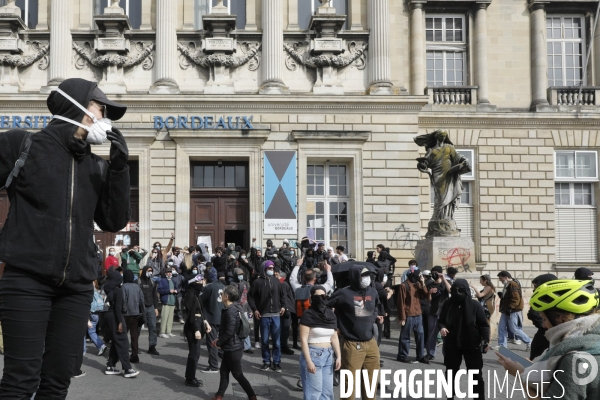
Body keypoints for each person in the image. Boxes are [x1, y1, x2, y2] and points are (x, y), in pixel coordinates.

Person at [0, 78, 131, 398]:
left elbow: (113, 219)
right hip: (26, 280)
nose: (105, 118)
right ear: (79, 106)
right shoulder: (23, 144)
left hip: (76, 287)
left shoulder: (96, 166)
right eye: (101, 109)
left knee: (58, 381)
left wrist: (119, 168)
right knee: (21, 379)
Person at [497, 279, 600, 399]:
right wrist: (536, 368)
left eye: (544, 319)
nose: (544, 325)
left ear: (561, 318)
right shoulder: (591, 341)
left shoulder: (574, 360)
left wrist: (521, 375)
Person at [327, 265, 382, 400]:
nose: (367, 279)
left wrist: (373, 317)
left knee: (371, 383)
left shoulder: (372, 291)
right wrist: (335, 326)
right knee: (349, 385)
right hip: (352, 344)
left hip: (371, 343)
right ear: (355, 277)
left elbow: (376, 306)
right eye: (363, 276)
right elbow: (325, 307)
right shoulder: (343, 293)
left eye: (368, 276)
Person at [438, 279, 489, 400]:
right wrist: (442, 328)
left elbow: (483, 324)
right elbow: (441, 321)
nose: (457, 293)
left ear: (466, 290)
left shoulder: (475, 305)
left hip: (472, 344)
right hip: (452, 344)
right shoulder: (448, 304)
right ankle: (450, 396)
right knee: (450, 373)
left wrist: (486, 341)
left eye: (460, 290)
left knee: (475, 374)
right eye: (454, 290)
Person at [210, 285, 257, 400]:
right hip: (231, 346)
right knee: (224, 372)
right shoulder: (234, 307)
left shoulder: (231, 311)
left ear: (226, 296)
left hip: (233, 348)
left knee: (237, 374)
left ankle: (252, 396)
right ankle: (219, 396)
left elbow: (230, 332)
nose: (221, 296)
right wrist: (219, 340)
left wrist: (219, 342)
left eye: (222, 294)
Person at [299, 285, 341, 400]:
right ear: (312, 297)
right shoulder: (308, 314)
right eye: (317, 296)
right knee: (314, 393)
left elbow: (334, 337)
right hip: (313, 354)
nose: (321, 299)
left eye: (323, 296)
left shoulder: (331, 314)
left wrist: (338, 357)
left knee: (328, 393)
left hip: (328, 355)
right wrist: (308, 361)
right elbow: (303, 339)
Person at [248, 260, 286, 372]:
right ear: (264, 269)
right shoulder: (257, 282)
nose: (271, 270)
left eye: (272, 268)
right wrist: (254, 309)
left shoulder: (277, 281)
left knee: (277, 342)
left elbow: (282, 295)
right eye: (269, 268)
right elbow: (250, 297)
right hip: (263, 315)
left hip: (276, 315)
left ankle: (277, 362)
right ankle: (266, 362)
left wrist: (283, 306)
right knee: (264, 341)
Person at [103, 269, 140, 378]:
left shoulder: (109, 290)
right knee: (123, 342)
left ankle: (110, 365)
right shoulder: (118, 291)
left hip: (109, 316)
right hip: (115, 316)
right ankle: (127, 368)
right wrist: (120, 322)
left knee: (116, 342)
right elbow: (118, 309)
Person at [396, 267, 429, 364]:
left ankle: (420, 356)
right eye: (419, 275)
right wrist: (402, 317)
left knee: (420, 335)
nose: (420, 277)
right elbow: (400, 303)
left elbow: (425, 295)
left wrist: (423, 284)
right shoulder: (404, 285)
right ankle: (402, 355)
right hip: (408, 315)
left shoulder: (418, 284)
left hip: (418, 314)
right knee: (405, 336)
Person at [183, 274, 210, 387]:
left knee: (196, 353)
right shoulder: (189, 295)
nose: (201, 284)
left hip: (198, 323)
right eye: (199, 283)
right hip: (192, 326)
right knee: (194, 353)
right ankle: (190, 378)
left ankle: (191, 376)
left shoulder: (196, 295)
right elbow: (190, 315)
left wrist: (205, 322)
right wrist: (196, 329)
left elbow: (200, 311)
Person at [494, 271, 531, 351]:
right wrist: (502, 296)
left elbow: (515, 299)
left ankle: (529, 342)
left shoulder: (512, 284)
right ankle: (502, 345)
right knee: (501, 327)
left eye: (501, 278)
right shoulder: (507, 285)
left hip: (513, 310)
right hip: (506, 310)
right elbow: (510, 297)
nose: (500, 280)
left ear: (506, 277)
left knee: (514, 329)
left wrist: (510, 308)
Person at [201, 267, 226, 373]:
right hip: (221, 316)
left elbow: (201, 300)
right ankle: (223, 362)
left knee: (212, 343)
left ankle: (213, 366)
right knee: (220, 342)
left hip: (211, 317)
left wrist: (203, 287)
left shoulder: (209, 287)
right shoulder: (223, 286)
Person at [526, 274, 557, 360]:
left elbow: (533, 314)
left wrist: (544, 326)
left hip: (547, 336)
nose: (534, 289)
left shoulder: (543, 298)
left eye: (536, 286)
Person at [121, 269, 145, 363]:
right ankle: (135, 355)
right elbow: (142, 300)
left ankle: (122, 354)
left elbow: (123, 300)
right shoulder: (137, 287)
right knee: (134, 336)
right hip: (136, 313)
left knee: (123, 335)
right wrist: (142, 311)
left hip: (126, 314)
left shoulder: (124, 287)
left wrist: (123, 310)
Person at [139, 266, 160, 355]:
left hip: (150, 307)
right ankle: (135, 346)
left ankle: (152, 347)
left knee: (153, 328)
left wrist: (156, 307)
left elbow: (155, 296)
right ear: (144, 271)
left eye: (151, 271)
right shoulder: (138, 281)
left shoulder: (152, 282)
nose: (150, 272)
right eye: (148, 271)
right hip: (140, 307)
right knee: (137, 328)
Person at [233, 268, 253, 354]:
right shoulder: (233, 284)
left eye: (242, 274)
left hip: (245, 308)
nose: (241, 276)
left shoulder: (245, 283)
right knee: (236, 328)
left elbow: (248, 297)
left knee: (245, 327)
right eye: (238, 274)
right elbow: (236, 296)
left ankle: (247, 346)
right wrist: (240, 286)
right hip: (237, 308)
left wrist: (250, 309)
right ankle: (237, 345)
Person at [157, 268, 179, 338]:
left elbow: (176, 288)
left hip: (172, 302)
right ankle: (162, 332)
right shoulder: (162, 281)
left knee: (170, 318)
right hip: (166, 302)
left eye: (170, 272)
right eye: (168, 272)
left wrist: (176, 291)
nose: (169, 273)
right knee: (164, 318)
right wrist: (169, 291)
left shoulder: (173, 281)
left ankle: (168, 331)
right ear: (165, 273)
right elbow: (159, 290)